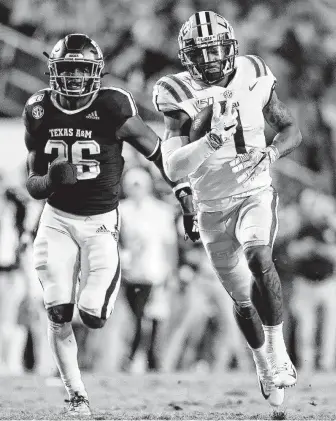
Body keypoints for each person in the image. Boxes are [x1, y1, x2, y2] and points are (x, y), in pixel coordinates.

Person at [23, 33, 196, 416]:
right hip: (56, 221)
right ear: (54, 71)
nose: (73, 79)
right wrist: (50, 181)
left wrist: (183, 192)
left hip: (101, 221)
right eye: (66, 70)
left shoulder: (113, 106)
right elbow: (32, 183)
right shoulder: (38, 109)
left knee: (93, 316)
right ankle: (77, 395)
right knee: (56, 311)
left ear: (96, 73)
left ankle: (91, 329)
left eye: (81, 70)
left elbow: (156, 152)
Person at [154, 11, 302, 407]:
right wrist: (209, 142)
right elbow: (173, 167)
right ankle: (262, 363)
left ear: (231, 47)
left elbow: (291, 129)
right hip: (211, 204)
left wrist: (270, 153)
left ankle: (278, 348)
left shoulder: (253, 70)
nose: (210, 58)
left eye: (216, 49)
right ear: (187, 56)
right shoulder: (175, 90)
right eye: (200, 52)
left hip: (255, 190)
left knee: (259, 256)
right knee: (241, 299)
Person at [119, 167, 178, 372]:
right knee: (134, 318)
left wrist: (171, 272)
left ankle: (151, 360)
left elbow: (170, 244)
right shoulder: (121, 210)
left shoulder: (161, 211)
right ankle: (134, 358)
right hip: (129, 274)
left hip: (155, 273)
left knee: (154, 317)